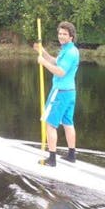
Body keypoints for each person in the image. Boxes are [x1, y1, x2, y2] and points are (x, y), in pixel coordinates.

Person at [34, 21, 80, 167]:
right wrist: (43, 52)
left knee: (50, 124)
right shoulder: (67, 49)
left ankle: (52, 159)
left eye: (65, 34)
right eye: (60, 33)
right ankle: (71, 155)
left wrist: (43, 63)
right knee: (68, 123)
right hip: (70, 92)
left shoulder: (71, 52)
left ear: (71, 36)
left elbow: (60, 71)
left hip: (60, 92)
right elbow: (56, 61)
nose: (61, 36)